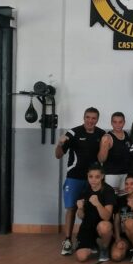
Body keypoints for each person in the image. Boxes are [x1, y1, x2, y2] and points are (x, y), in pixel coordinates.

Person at [55, 107, 105, 255]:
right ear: (84, 117)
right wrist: (59, 144)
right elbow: (58, 155)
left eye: (93, 118)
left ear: (97, 119)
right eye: (88, 117)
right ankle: (68, 240)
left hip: (93, 180)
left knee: (93, 209)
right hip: (74, 177)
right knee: (71, 208)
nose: (90, 120)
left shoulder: (102, 134)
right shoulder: (73, 133)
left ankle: (89, 240)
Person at [74, 163, 115, 262]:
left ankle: (104, 248)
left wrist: (97, 204)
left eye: (97, 177)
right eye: (91, 177)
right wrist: (80, 209)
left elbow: (107, 217)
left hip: (102, 225)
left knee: (104, 226)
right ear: (87, 176)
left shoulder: (108, 190)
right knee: (81, 257)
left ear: (102, 176)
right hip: (88, 226)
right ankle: (93, 244)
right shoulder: (84, 191)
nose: (93, 180)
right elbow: (81, 216)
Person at [111, 174, 133, 262]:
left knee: (129, 222)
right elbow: (116, 220)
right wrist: (118, 238)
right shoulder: (120, 199)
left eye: (132, 184)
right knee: (116, 256)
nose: (128, 186)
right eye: (126, 184)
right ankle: (129, 249)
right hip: (124, 236)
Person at [98, 112, 131, 195]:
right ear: (111, 123)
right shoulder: (107, 137)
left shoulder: (126, 135)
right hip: (111, 175)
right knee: (111, 199)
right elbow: (101, 159)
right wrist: (104, 145)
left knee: (123, 199)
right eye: (115, 122)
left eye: (120, 122)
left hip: (125, 174)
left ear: (124, 122)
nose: (117, 125)